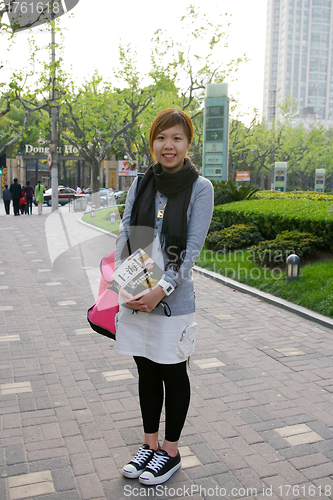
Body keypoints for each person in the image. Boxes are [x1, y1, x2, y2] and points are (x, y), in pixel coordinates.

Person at [115, 109, 214, 485]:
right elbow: (125, 231)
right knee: (145, 371)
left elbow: (190, 249)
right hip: (136, 292)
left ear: (188, 144)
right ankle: (149, 446)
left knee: (172, 372)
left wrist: (161, 289)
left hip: (172, 300)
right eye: (161, 137)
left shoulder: (200, 187)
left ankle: (170, 453)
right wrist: (123, 282)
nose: (167, 145)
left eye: (176, 138)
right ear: (152, 142)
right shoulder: (142, 182)